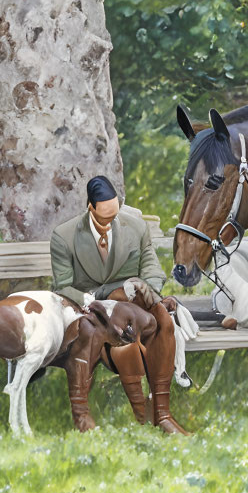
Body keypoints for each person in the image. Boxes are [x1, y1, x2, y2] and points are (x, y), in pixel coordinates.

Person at [50, 175, 188, 435]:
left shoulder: (135, 227)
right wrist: (97, 299)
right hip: (93, 305)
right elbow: (63, 285)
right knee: (123, 328)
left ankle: (162, 413)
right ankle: (143, 412)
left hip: (133, 298)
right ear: (90, 208)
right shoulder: (64, 236)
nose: (109, 223)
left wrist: (149, 287)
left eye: (114, 215)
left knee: (162, 320)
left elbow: (151, 267)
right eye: (103, 218)